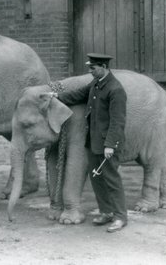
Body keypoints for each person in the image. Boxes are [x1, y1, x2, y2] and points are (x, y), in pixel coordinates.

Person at [52, 53, 128, 233]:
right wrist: (55, 95)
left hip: (108, 145)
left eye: (93, 68)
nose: (90, 71)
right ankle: (106, 212)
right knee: (96, 178)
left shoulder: (115, 89)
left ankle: (120, 217)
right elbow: (78, 95)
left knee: (112, 180)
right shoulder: (96, 83)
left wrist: (110, 144)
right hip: (93, 143)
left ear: (103, 66)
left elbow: (118, 121)